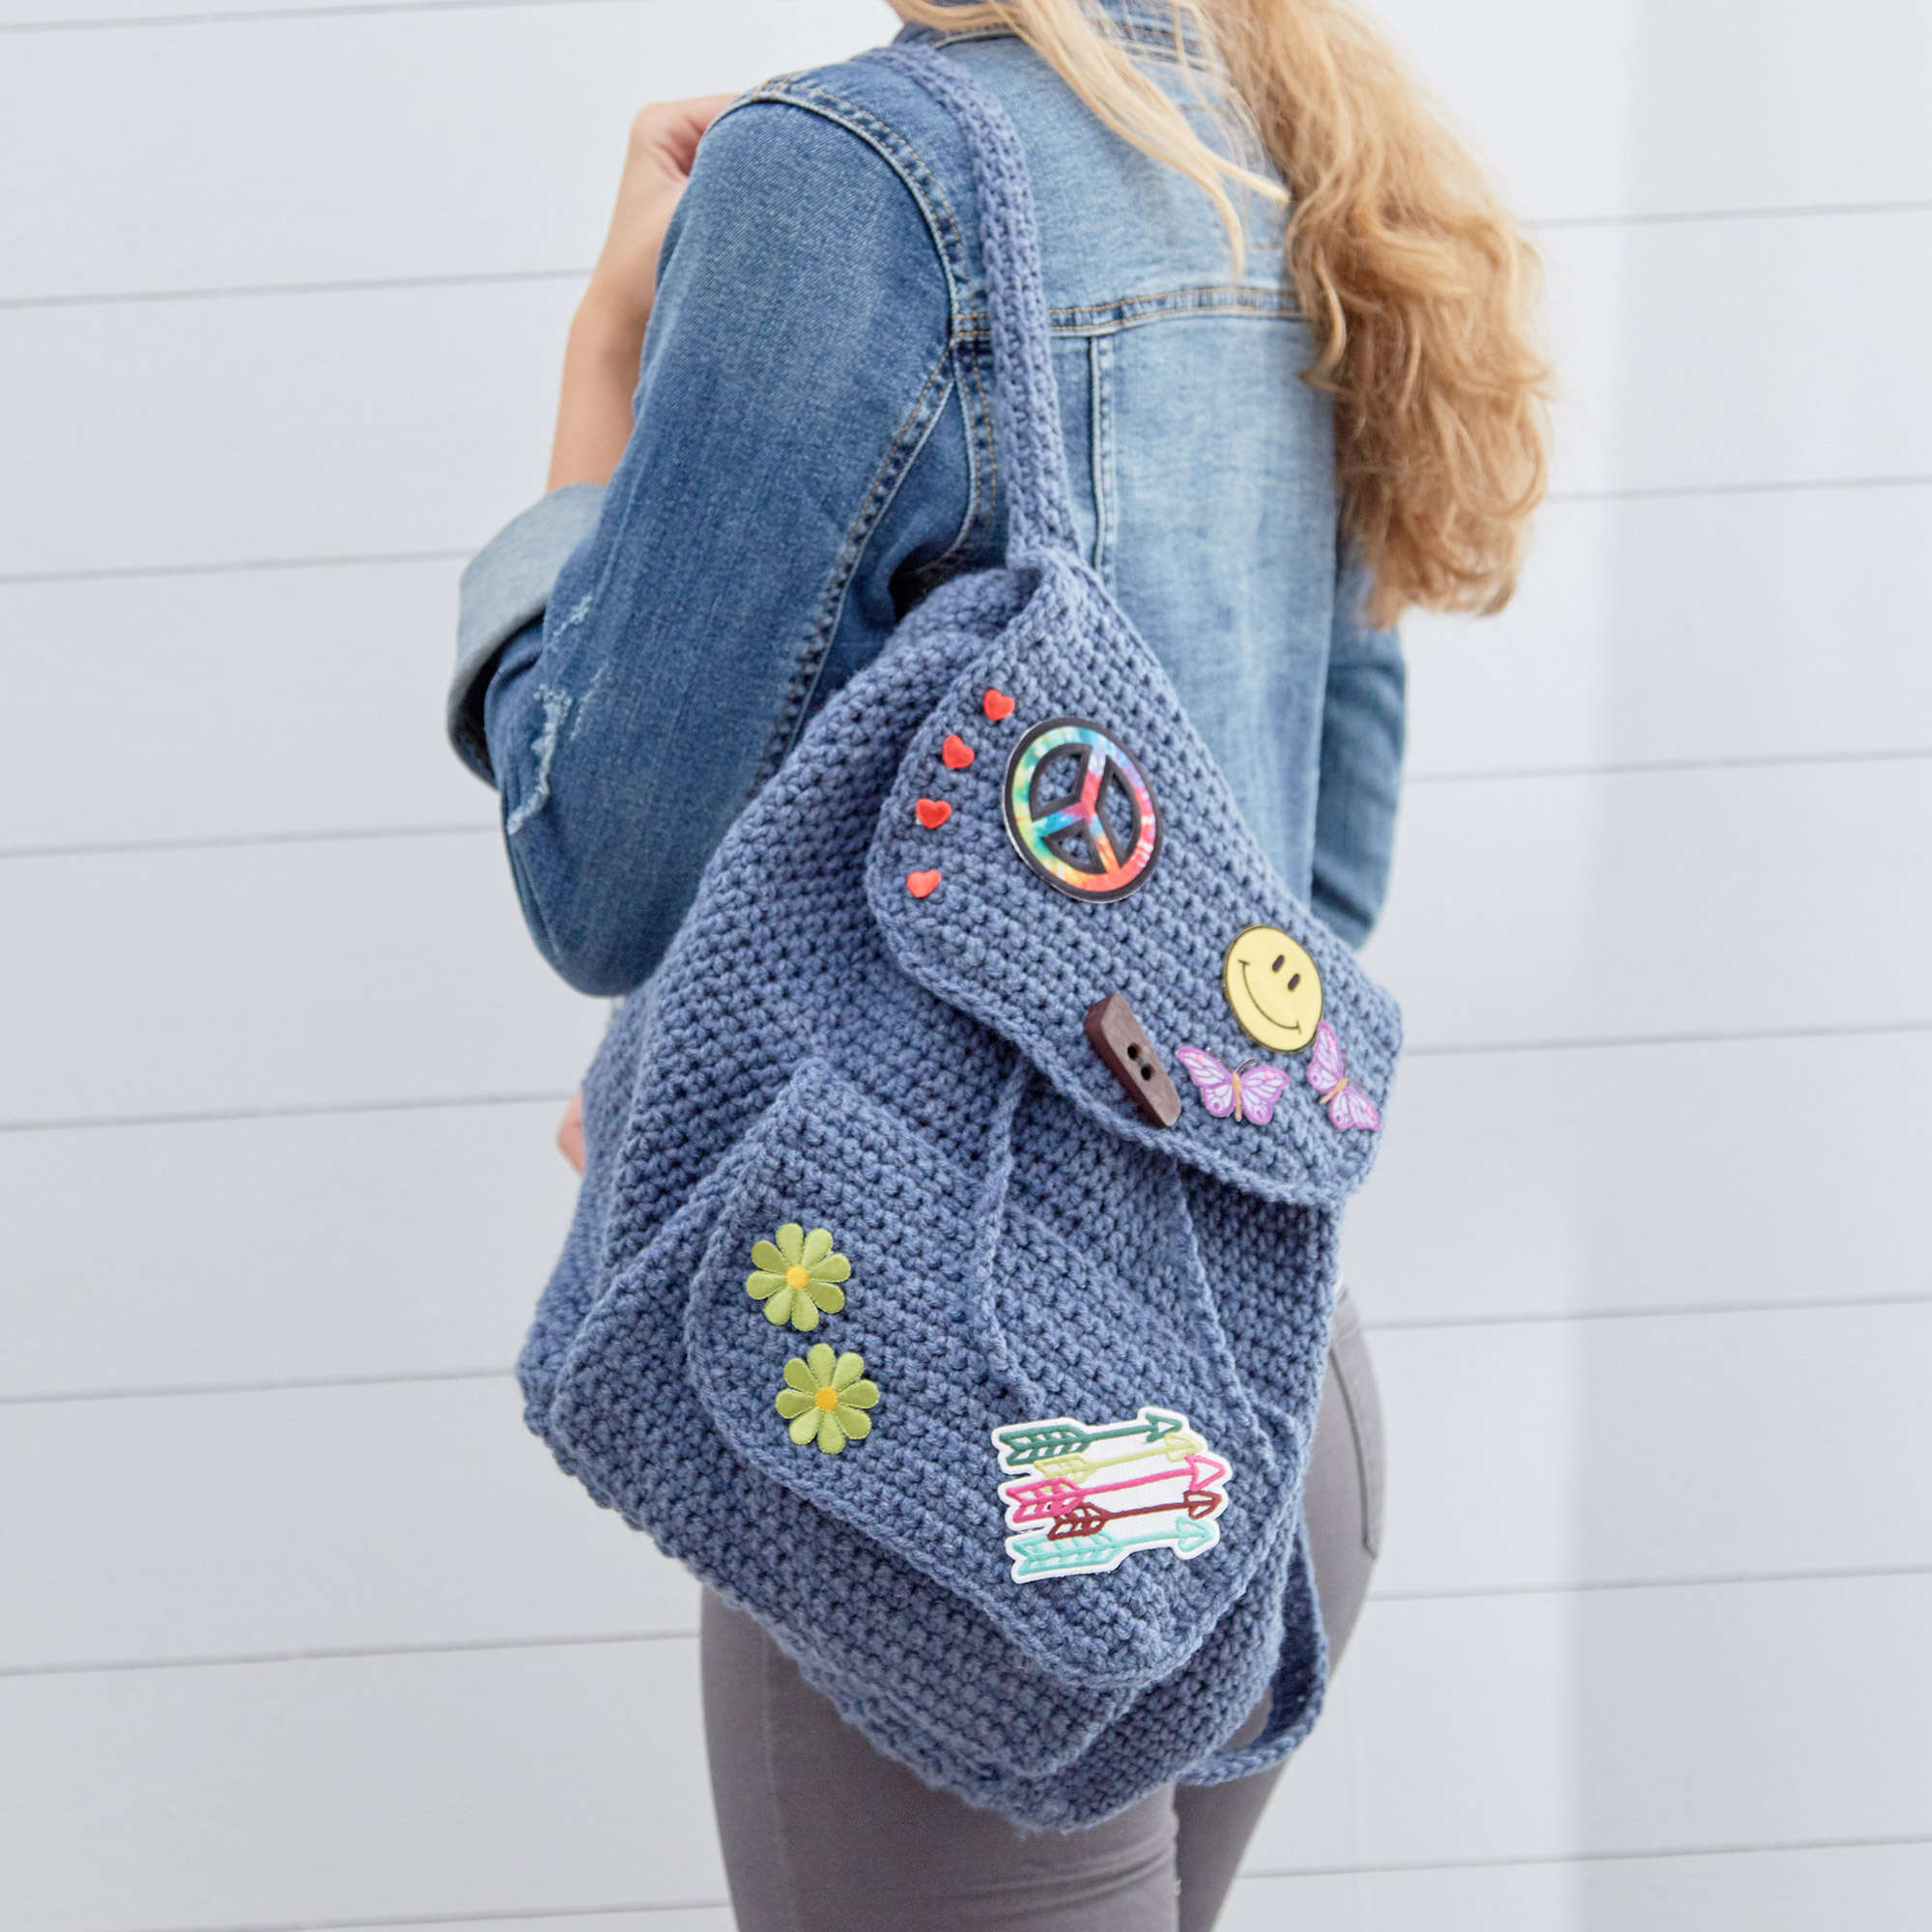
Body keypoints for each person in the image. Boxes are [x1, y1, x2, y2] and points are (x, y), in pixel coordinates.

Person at [447, 4, 1547, 1925]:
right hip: (1268, 1388)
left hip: (980, 1423)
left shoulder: (847, 183)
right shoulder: (1287, 149)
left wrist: (599, 360)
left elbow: (602, 877)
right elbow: (1313, 890)